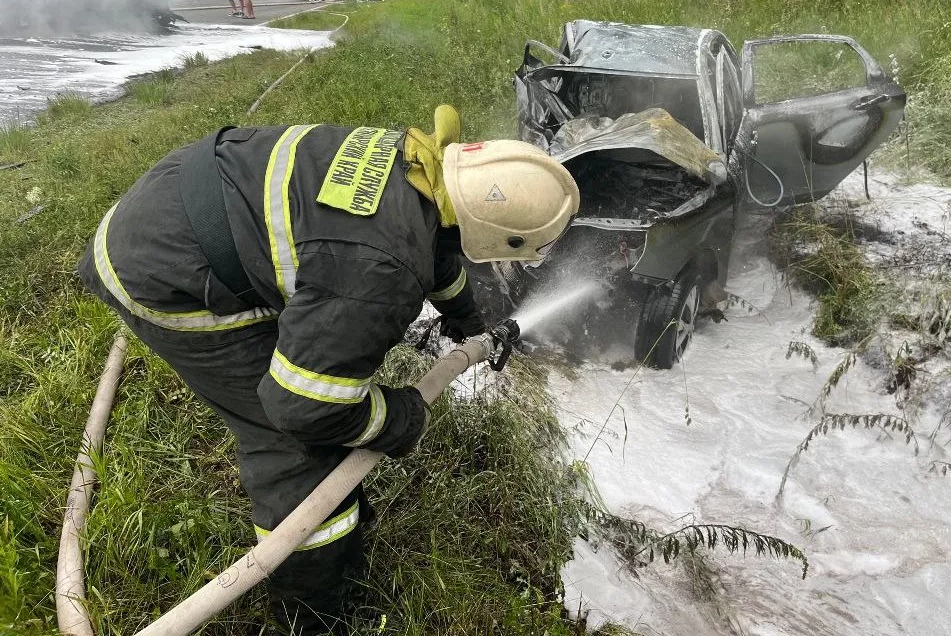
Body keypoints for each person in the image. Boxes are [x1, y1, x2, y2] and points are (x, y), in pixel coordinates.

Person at [77, 105, 579, 634]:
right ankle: (310, 609)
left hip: (179, 199)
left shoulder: (414, 163)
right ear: (502, 237)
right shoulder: (379, 272)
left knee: (315, 377)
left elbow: (435, 243)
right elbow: (305, 407)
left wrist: (465, 317)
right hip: (161, 272)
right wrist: (400, 417)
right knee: (297, 444)